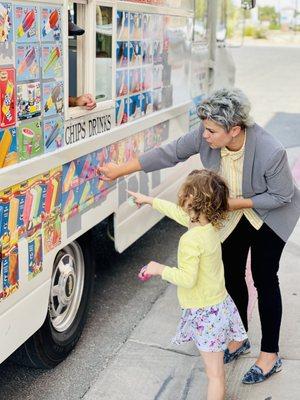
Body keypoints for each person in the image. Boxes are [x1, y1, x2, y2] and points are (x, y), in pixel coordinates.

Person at [98, 88, 300, 384]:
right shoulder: (207, 135)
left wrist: (231, 204)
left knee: (263, 275)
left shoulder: (271, 151)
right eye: (204, 128)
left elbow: (281, 196)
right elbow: (168, 153)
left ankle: (270, 355)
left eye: (211, 130)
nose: (204, 135)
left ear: (234, 130)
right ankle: (237, 336)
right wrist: (120, 171)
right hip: (231, 210)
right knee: (230, 272)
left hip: (270, 211)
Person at [129, 169, 247, 400]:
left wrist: (159, 268)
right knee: (217, 371)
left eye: (185, 190)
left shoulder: (190, 240)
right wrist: (150, 200)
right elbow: (178, 214)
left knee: (214, 374)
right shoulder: (208, 227)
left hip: (205, 312)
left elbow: (187, 278)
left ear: (191, 199)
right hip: (218, 305)